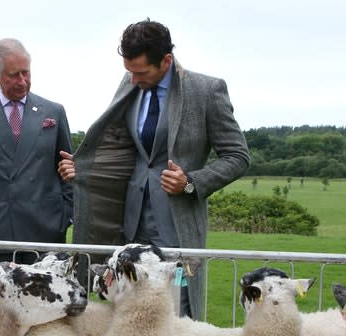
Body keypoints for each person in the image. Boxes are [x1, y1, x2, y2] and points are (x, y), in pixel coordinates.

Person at [57, 20, 250, 320]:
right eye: (129, 71)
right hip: (128, 222)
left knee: (178, 312)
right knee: (130, 311)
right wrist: (83, 168)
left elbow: (238, 156)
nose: (133, 79)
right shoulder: (131, 83)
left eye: (141, 72)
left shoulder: (207, 91)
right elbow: (118, 144)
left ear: (166, 61)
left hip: (176, 226)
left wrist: (190, 183)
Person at [0, 38, 73, 265]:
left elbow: (68, 168)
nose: (22, 81)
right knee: (1, 301)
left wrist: (66, 215)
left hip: (46, 232)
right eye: (14, 75)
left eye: (26, 72)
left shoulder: (54, 112)